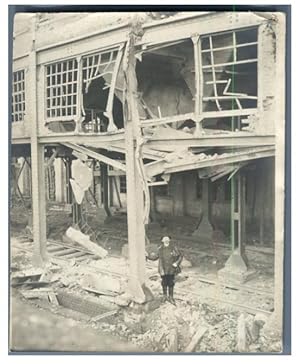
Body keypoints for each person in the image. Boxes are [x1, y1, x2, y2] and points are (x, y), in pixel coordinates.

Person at [158, 236, 183, 305]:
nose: (166, 240)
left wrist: (176, 263)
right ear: (162, 241)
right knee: (164, 282)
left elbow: (180, 256)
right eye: (164, 239)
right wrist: (148, 255)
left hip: (171, 268)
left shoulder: (173, 248)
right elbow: (157, 257)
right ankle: (164, 296)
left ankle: (171, 297)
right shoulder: (160, 249)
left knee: (171, 283)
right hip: (163, 268)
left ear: (169, 240)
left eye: (167, 239)